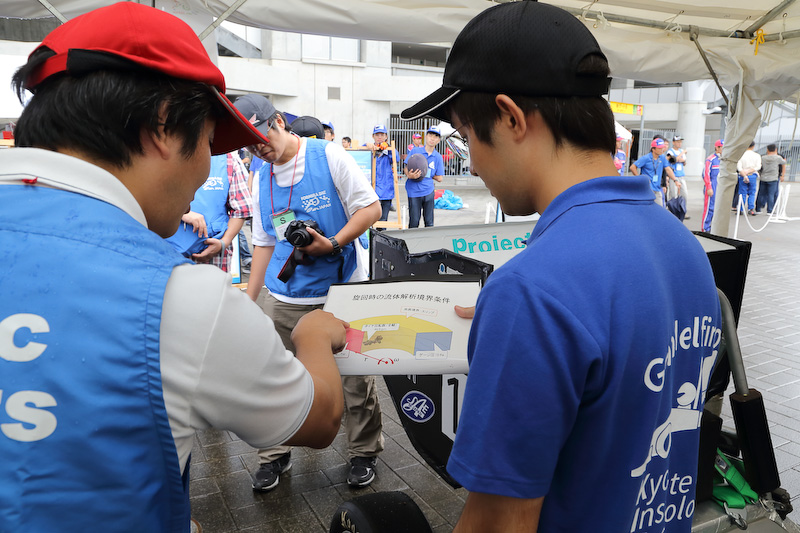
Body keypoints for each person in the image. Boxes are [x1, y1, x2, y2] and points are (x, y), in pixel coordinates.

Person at [0, 4, 347, 532]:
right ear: (163, 125)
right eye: (210, 140)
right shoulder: (178, 296)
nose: (209, 163)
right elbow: (319, 419)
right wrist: (316, 338)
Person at [400, 2, 722, 531]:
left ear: (509, 117)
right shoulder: (680, 243)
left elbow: (499, 522)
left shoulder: (531, 290)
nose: (471, 162)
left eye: (464, 135)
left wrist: (520, 318)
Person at [232, 94, 385, 491]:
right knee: (274, 378)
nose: (258, 149)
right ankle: (273, 456)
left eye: (261, 136)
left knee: (355, 379)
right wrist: (249, 301)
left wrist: (332, 243)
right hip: (284, 296)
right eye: (248, 146)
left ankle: (363, 451)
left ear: (278, 121)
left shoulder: (328, 156)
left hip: (341, 292)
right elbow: (264, 242)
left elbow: (370, 210)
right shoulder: (258, 175)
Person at [166, 151, 253, 273]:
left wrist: (224, 242)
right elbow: (146, 197)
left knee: (213, 291)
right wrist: (182, 213)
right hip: (168, 251)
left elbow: (241, 209)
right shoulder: (164, 155)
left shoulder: (228, 160)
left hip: (213, 253)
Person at [404, 125, 444, 227]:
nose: (432, 138)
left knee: (429, 223)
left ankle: (429, 242)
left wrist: (425, 173)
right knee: (414, 222)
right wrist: (409, 175)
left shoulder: (438, 157)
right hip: (414, 191)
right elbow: (406, 167)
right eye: (430, 135)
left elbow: (440, 178)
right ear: (426, 136)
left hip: (429, 191)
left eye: (435, 136)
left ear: (438, 140)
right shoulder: (415, 151)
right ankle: (411, 242)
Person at [363, 124, 399, 220]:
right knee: (369, 220)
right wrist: (367, 145)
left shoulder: (389, 150)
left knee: (383, 220)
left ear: (386, 136)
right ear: (373, 136)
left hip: (386, 189)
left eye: (382, 135)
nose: (379, 137)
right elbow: (358, 152)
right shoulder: (368, 149)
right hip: (370, 190)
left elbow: (397, 158)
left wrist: (387, 148)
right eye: (377, 134)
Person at [631, 137, 678, 206]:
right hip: (647, 188)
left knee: (660, 208)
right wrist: (639, 178)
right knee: (647, 209)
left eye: (662, 148)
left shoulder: (662, 157)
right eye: (659, 148)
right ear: (653, 149)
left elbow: (668, 169)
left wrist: (675, 180)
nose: (662, 150)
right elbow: (632, 167)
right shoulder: (646, 158)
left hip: (657, 188)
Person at [755, 143, 785, 214]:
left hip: (763, 177)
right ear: (775, 149)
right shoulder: (778, 158)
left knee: (760, 194)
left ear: (767, 150)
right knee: (771, 194)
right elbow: (784, 162)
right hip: (773, 178)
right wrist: (782, 175)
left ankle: (758, 209)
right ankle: (770, 210)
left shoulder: (763, 157)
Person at [702, 139, 724, 232]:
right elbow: (705, 174)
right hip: (712, 186)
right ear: (717, 147)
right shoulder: (710, 159)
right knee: (709, 209)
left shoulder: (723, 160)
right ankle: (705, 228)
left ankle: (713, 227)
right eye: (722, 147)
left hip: (720, 186)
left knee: (718, 209)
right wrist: (709, 187)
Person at [667, 134, 690, 219]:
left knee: (684, 194)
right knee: (673, 194)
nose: (679, 143)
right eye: (677, 142)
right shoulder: (670, 151)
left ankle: (683, 211)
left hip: (681, 175)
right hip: (674, 176)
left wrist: (679, 158)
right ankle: (672, 211)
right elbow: (674, 160)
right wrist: (682, 153)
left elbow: (684, 161)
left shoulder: (680, 151)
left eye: (680, 142)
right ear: (673, 142)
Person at [736, 141, 761, 216]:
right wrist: (749, 171)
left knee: (742, 193)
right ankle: (751, 209)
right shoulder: (757, 155)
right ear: (753, 146)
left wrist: (744, 174)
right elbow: (758, 167)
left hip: (742, 175)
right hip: (753, 175)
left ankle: (741, 209)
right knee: (752, 193)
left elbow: (739, 167)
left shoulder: (741, 155)